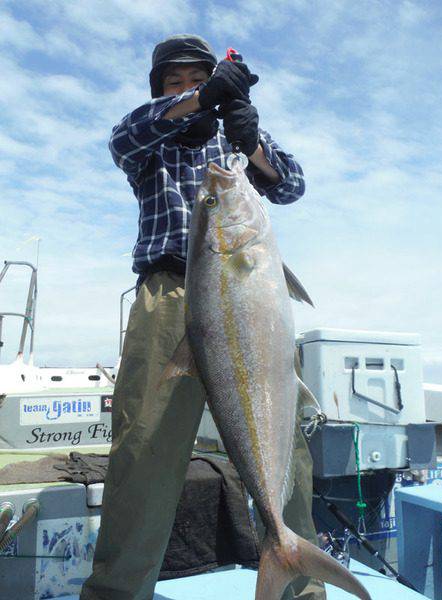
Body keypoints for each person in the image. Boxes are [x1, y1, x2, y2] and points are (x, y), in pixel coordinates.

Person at [80, 34, 325, 600]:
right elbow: (125, 135)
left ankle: (300, 583)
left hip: (249, 298)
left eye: (200, 78)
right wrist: (197, 102)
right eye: (176, 82)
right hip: (169, 299)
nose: (189, 88)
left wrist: (249, 137)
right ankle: (118, 593)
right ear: (160, 91)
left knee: (285, 448)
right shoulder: (148, 145)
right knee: (145, 450)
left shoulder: (232, 145)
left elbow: (290, 185)